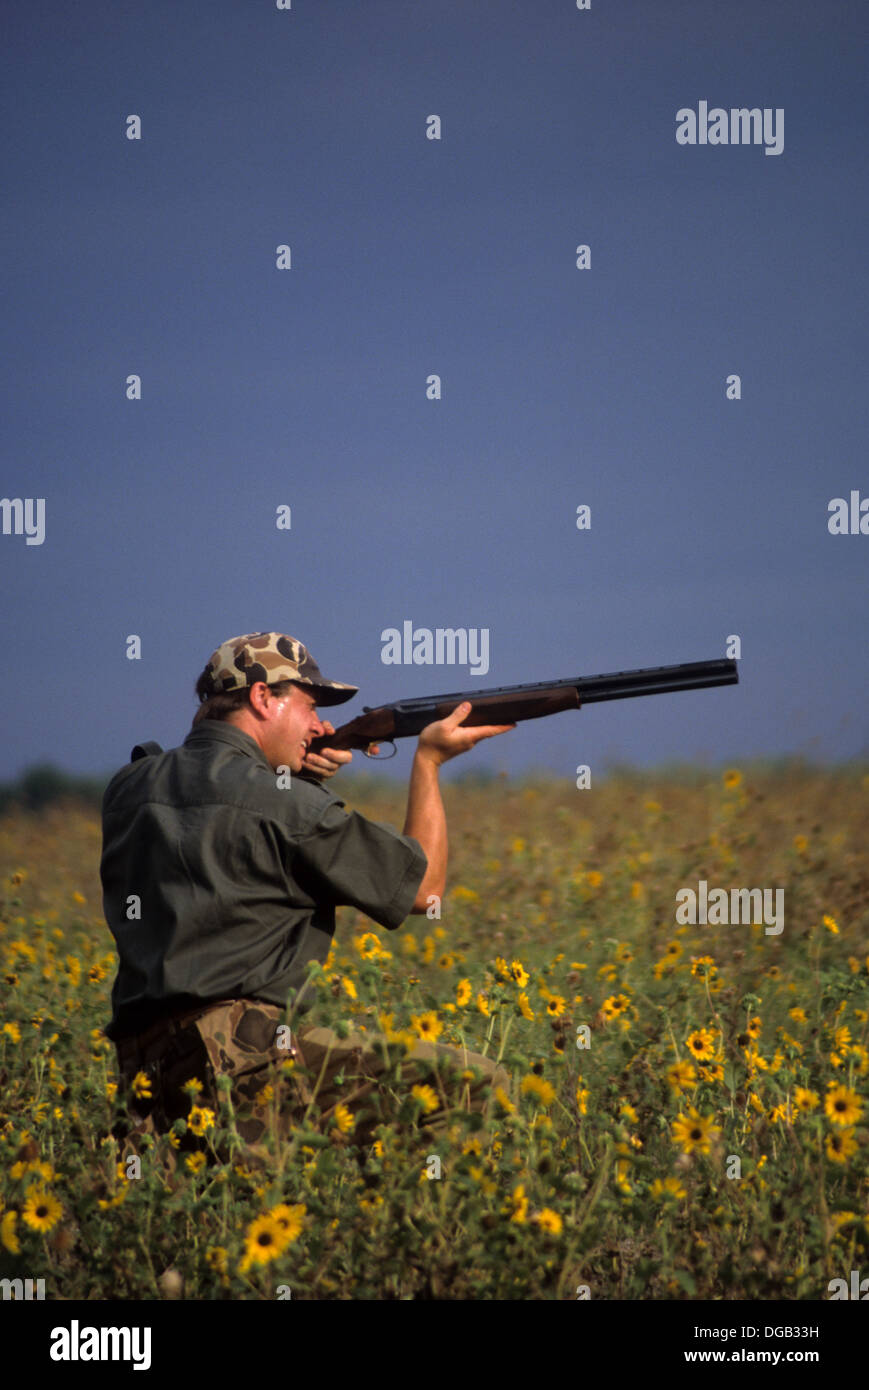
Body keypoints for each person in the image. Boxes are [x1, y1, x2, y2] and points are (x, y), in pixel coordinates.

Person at [101, 631, 515, 1160]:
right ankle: (409, 1235)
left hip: (146, 1070)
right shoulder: (289, 805)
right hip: (245, 1057)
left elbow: (216, 814)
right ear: (261, 698)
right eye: (309, 706)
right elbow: (423, 889)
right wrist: (428, 762)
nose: (318, 725)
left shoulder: (129, 787)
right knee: (472, 1085)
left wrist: (290, 772)